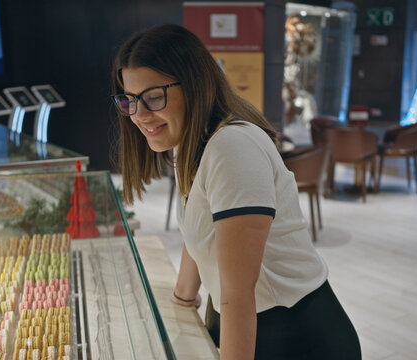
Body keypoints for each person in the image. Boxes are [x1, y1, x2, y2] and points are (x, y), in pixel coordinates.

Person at [111, 24, 361, 360]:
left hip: (294, 334)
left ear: (195, 85)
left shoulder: (232, 146)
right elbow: (200, 236)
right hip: (253, 324)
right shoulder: (196, 144)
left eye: (153, 97)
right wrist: (183, 301)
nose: (139, 115)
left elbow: (239, 293)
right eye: (129, 100)